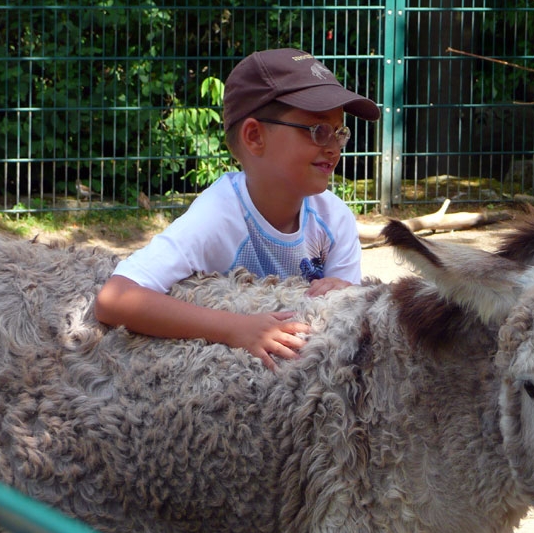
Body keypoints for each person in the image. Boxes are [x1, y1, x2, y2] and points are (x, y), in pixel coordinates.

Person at [94, 48, 380, 369]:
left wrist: (345, 291)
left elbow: (343, 323)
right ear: (255, 136)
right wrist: (236, 328)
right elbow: (114, 298)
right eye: (318, 130)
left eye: (340, 132)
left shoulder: (335, 219)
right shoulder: (218, 215)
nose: (333, 146)